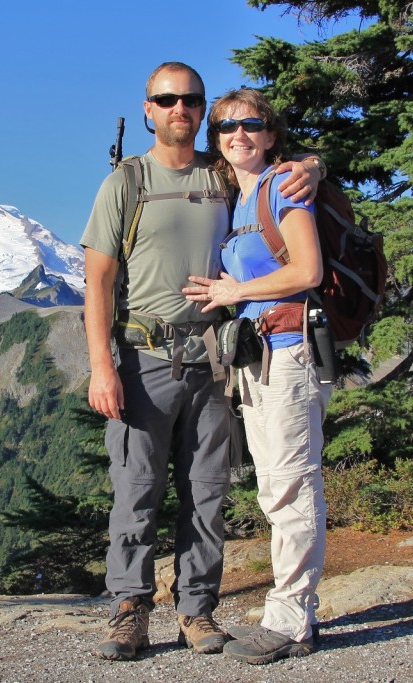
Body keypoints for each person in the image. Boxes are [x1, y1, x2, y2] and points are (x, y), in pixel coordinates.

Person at [81, 63, 324, 661]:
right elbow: (97, 284)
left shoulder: (224, 178)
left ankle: (196, 610)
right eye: (167, 100)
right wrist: (102, 366)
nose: (179, 109)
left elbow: (273, 171)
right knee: (136, 489)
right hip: (144, 358)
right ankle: (129, 611)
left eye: (191, 99)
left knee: (207, 491)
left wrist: (313, 167)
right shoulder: (127, 183)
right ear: (148, 109)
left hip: (217, 359)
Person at [183, 87, 331, 665]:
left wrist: (235, 290)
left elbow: (308, 269)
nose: (237, 134)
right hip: (260, 358)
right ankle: (289, 607)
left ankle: (292, 621)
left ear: (271, 134)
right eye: (224, 127)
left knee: (292, 482)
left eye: (250, 124)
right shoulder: (240, 200)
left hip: (290, 352)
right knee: (275, 485)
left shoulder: (280, 187)